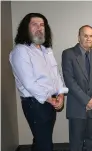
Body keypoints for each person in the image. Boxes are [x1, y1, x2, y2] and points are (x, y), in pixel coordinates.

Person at [9, 13, 68, 151]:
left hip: (50, 101)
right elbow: (30, 84)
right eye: (34, 24)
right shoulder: (20, 51)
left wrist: (60, 95)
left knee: (41, 139)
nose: (39, 28)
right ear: (26, 28)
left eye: (42, 25)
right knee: (45, 145)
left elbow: (56, 75)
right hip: (35, 104)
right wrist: (51, 99)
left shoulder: (46, 50)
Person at [61, 25, 92, 151]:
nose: (88, 39)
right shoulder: (68, 54)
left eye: (91, 36)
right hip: (77, 107)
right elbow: (69, 81)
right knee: (76, 143)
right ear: (79, 37)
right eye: (85, 35)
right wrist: (87, 100)